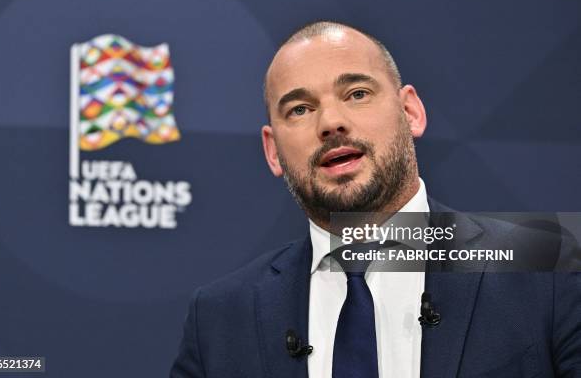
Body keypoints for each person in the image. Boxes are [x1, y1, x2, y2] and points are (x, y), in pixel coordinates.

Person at [170, 21, 581, 378]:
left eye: (357, 94)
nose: (331, 123)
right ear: (273, 151)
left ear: (411, 111)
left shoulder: (552, 265)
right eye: (299, 109)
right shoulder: (220, 318)